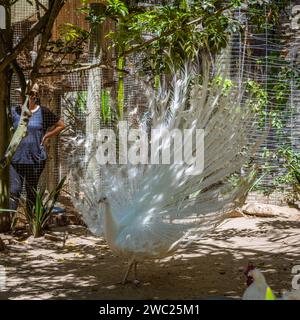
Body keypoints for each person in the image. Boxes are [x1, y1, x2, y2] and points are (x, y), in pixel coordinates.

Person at [9, 83, 65, 215]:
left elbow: (61, 125)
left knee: (31, 191)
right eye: (20, 94)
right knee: (14, 191)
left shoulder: (43, 112)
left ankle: (31, 223)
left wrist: (47, 135)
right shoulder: (14, 111)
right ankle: (10, 223)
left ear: (34, 95)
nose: (21, 97)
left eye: (25, 94)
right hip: (16, 159)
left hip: (35, 159)